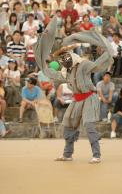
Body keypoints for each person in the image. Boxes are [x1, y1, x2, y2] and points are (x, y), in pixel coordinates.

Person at [34, 17, 113, 163]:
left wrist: (107, 53)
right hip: (77, 99)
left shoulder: (83, 65)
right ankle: (67, 154)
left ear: (72, 56)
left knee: (89, 126)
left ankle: (96, 155)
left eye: (66, 57)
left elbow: (96, 65)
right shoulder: (66, 72)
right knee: (68, 124)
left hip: (89, 97)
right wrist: (43, 66)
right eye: (62, 58)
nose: (64, 59)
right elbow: (53, 74)